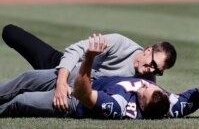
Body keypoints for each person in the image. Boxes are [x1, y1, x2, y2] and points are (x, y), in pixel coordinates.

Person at [0, 24, 177, 112]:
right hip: (63, 67)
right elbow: (75, 50)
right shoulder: (120, 43)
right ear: (148, 50)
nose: (152, 71)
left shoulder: (146, 83)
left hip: (75, 87)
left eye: (158, 71)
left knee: (22, 100)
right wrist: (61, 82)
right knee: (10, 32)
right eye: (153, 64)